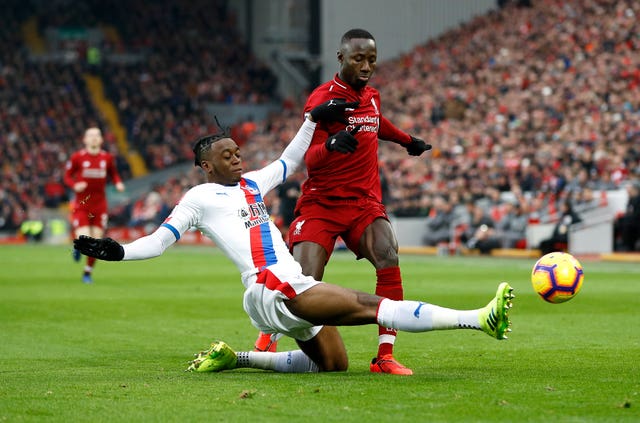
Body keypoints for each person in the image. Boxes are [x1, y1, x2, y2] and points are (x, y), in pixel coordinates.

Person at [73, 101, 514, 375]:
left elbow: (289, 160)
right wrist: (119, 252)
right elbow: (160, 240)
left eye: (236, 151)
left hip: (278, 289)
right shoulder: (199, 197)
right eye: (225, 155)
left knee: (334, 365)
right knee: (367, 305)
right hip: (274, 284)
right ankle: (478, 319)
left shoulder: (252, 185)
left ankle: (237, 359)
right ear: (206, 165)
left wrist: (310, 121)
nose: (236, 157)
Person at [260, 28, 433, 375]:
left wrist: (406, 140)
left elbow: (376, 122)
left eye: (371, 58)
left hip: (363, 203)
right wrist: (331, 146)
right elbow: (308, 159)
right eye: (358, 58)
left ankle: (384, 356)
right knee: (302, 280)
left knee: (387, 253)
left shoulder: (371, 96)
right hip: (321, 205)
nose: (366, 65)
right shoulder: (323, 99)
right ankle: (268, 332)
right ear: (341, 58)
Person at [64, 127, 125, 283]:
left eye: (97, 135)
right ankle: (78, 247)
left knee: (96, 243)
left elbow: (114, 173)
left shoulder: (107, 158)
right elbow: (67, 176)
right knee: (84, 236)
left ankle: (87, 273)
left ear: (101, 139)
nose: (93, 138)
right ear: (84, 140)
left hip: (99, 206)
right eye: (90, 135)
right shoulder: (77, 157)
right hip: (82, 205)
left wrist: (118, 183)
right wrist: (75, 185)